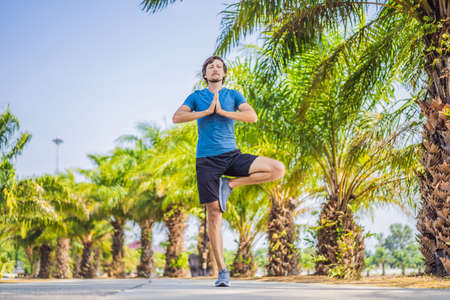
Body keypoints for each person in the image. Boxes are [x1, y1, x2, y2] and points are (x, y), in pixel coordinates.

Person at [172, 56, 285, 287]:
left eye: (219, 67)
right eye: (210, 67)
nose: (215, 69)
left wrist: (223, 112)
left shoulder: (233, 95)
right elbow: (177, 117)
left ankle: (230, 185)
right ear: (205, 74)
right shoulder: (196, 97)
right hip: (206, 160)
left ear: (223, 74)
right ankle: (223, 271)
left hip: (231, 155)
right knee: (214, 213)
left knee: (277, 169)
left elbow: (251, 117)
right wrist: (206, 112)